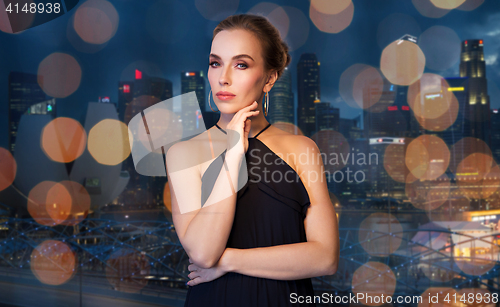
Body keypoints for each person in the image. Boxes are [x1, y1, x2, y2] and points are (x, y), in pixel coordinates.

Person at [165, 14, 339, 307]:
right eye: (215, 63)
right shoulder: (184, 154)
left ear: (269, 78)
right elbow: (204, 254)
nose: (224, 77)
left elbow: (325, 258)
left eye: (241, 64)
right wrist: (233, 153)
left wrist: (229, 260)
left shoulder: (301, 150)